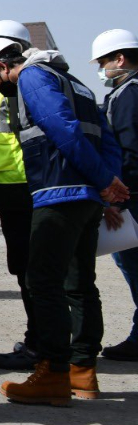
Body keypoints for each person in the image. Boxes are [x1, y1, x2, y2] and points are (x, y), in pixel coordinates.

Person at [0, 38, 128, 405]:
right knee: (80, 284)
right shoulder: (76, 83)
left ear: (1, 68)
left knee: (42, 281)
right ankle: (82, 371)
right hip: (86, 197)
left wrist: (105, 182)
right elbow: (107, 140)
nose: (3, 92)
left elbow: (62, 128)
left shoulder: (31, 77)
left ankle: (53, 374)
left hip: (58, 193)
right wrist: (105, 183)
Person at [0, 21, 40, 370]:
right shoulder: (8, 92)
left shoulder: (26, 87)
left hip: (23, 191)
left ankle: (40, 345)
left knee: (33, 272)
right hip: (9, 191)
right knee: (25, 270)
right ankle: (43, 340)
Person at [93, 29, 138, 362]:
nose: (102, 69)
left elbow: (127, 152)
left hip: (132, 198)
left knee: (134, 267)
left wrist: (114, 198)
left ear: (119, 59)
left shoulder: (126, 96)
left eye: (104, 62)